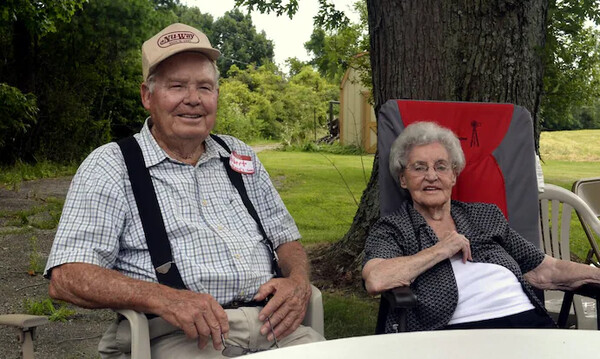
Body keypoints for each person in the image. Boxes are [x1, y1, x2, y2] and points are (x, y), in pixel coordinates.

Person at [44, 23, 323, 358]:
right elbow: (68, 276)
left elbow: (285, 240)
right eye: (177, 86)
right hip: (177, 338)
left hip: (275, 328)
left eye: (205, 87)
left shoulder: (240, 155)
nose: (193, 99)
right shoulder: (111, 165)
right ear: (147, 95)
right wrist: (164, 298)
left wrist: (298, 281)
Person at [362, 121, 600, 333]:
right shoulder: (393, 228)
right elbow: (377, 278)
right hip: (459, 332)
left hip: (528, 323)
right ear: (403, 179)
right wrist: (441, 249)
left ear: (454, 176)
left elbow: (546, 269)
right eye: (419, 167)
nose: (431, 176)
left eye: (441, 166)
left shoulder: (485, 215)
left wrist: (595, 274)